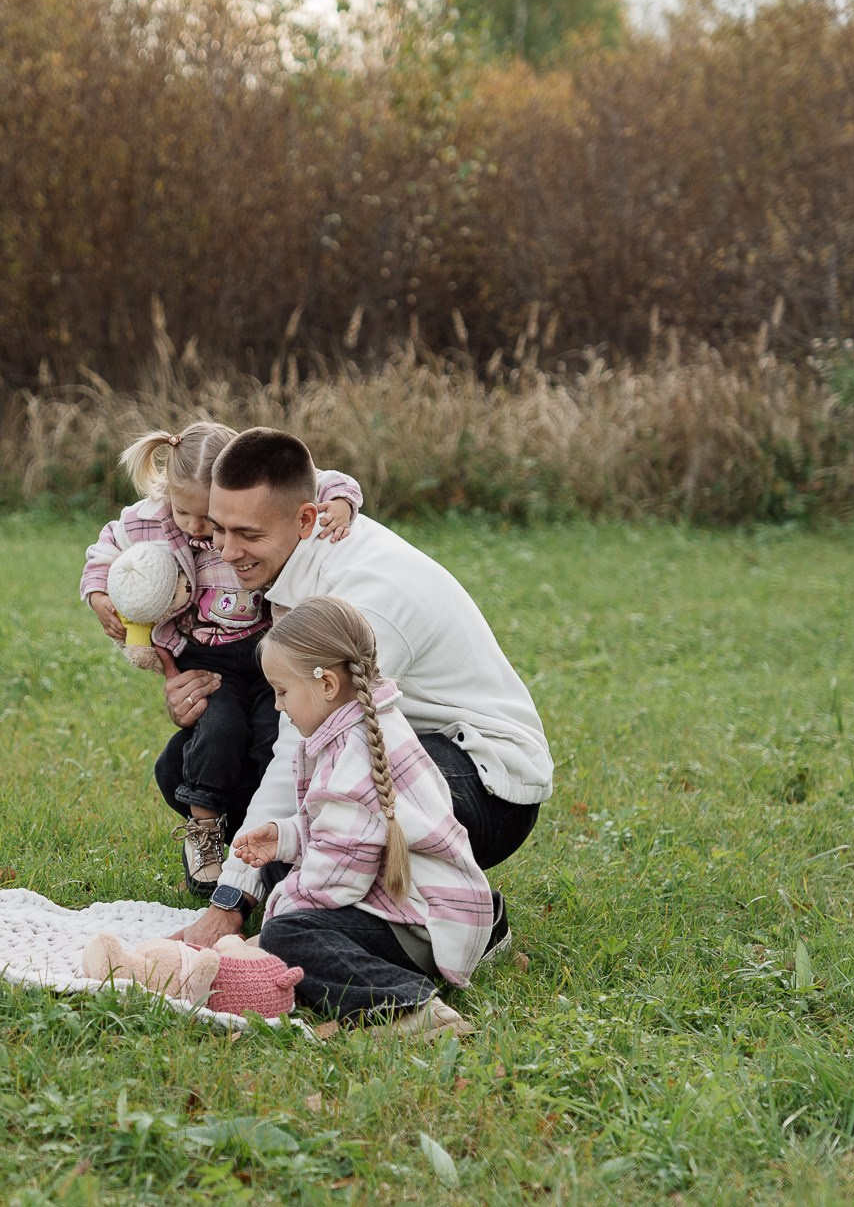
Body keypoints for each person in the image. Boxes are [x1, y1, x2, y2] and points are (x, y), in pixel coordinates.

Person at [169, 427, 550, 948]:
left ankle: (472, 918)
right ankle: (382, 897)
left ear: (306, 520)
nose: (229, 553)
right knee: (192, 766)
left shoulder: (364, 596)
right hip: (391, 748)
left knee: (315, 849)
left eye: (249, 536)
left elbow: (303, 746)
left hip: (481, 778)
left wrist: (232, 900)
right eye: (219, 530)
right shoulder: (300, 540)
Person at [80, 421, 360, 894]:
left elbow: (314, 478)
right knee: (218, 729)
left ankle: (285, 840)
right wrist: (99, 594)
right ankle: (206, 828)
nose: (197, 528)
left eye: (206, 515)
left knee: (276, 734)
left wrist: (342, 503)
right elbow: (105, 550)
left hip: (266, 647)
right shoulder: (152, 520)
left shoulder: (242, 509)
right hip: (206, 657)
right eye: (184, 512)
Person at [234, 597, 506, 1037]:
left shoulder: (352, 757)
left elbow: (337, 880)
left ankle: (407, 1005)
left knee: (290, 934)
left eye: (282, 692)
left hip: (418, 926)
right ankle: (479, 931)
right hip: (425, 898)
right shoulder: (370, 721)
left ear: (326, 685)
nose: (279, 707)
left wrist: (267, 935)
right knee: (280, 875)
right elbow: (344, 831)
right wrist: (287, 838)